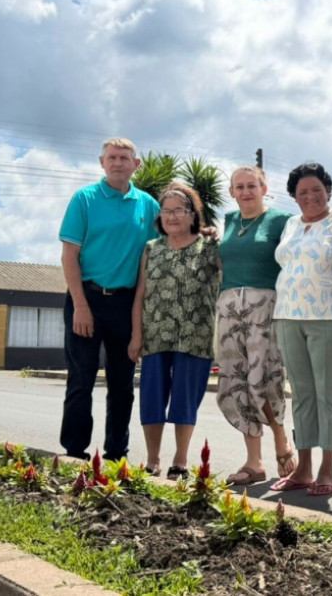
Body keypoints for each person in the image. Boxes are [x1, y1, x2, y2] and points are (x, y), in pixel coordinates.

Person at [59, 138, 159, 461]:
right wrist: (81, 306)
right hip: (85, 298)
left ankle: (117, 453)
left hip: (126, 304)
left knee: (122, 385)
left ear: (136, 164)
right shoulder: (84, 199)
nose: (118, 162)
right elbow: (69, 256)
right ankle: (75, 451)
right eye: (112, 157)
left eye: (125, 157)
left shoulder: (148, 205)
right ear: (102, 162)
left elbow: (163, 249)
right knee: (81, 379)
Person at [269, 162, 332, 497]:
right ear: (294, 197)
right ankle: (302, 469)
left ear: (328, 191)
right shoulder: (290, 224)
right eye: (302, 192)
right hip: (288, 315)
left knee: (327, 393)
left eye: (317, 190)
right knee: (301, 394)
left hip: (330, 316)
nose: (310, 196)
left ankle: (326, 468)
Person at [128, 183, 219, 479]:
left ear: (193, 214)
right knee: (152, 398)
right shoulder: (151, 249)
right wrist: (136, 336)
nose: (172, 216)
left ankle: (180, 460)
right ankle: (152, 459)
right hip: (155, 336)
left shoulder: (210, 246)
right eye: (167, 210)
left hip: (195, 337)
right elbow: (140, 294)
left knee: (185, 398)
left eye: (180, 209)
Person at [215, 166, 296, 486]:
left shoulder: (280, 221)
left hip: (265, 307)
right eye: (240, 187)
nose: (246, 191)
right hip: (229, 308)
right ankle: (254, 462)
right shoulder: (229, 222)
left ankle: (280, 438)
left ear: (264, 188)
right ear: (232, 192)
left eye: (252, 186)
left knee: (262, 377)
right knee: (235, 381)